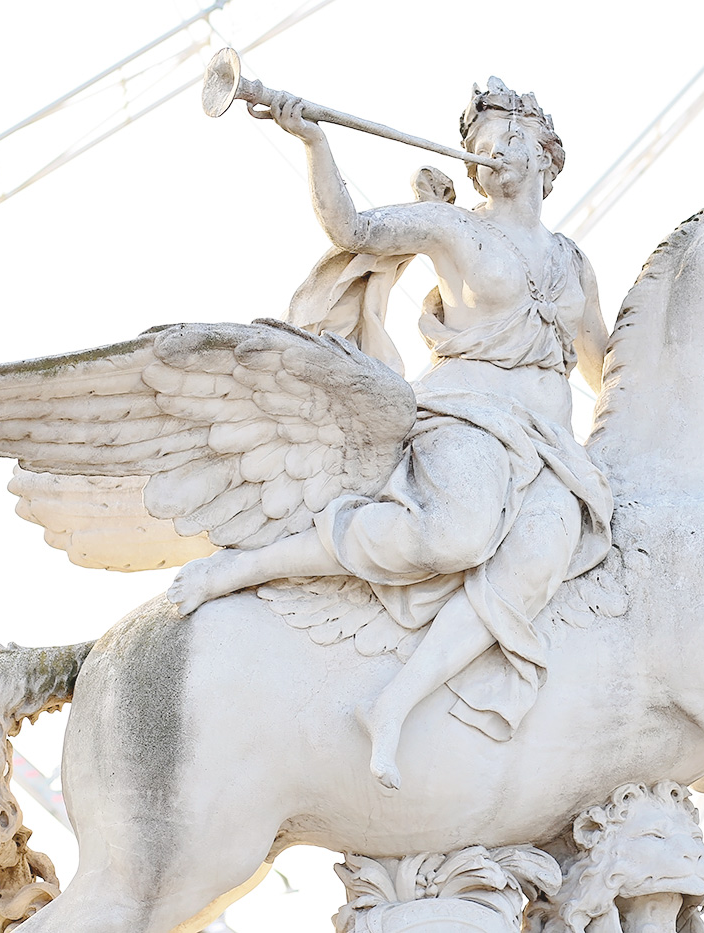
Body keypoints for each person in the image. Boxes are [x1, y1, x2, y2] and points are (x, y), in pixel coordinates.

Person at [166, 78, 612, 789]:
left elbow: (605, 365)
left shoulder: (572, 263)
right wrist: (313, 143)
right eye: (481, 142)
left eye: (508, 134)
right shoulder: (455, 229)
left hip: (550, 452)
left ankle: (393, 704)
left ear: (544, 149)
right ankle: (250, 565)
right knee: (457, 536)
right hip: (468, 420)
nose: (493, 149)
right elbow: (353, 231)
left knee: (534, 564)